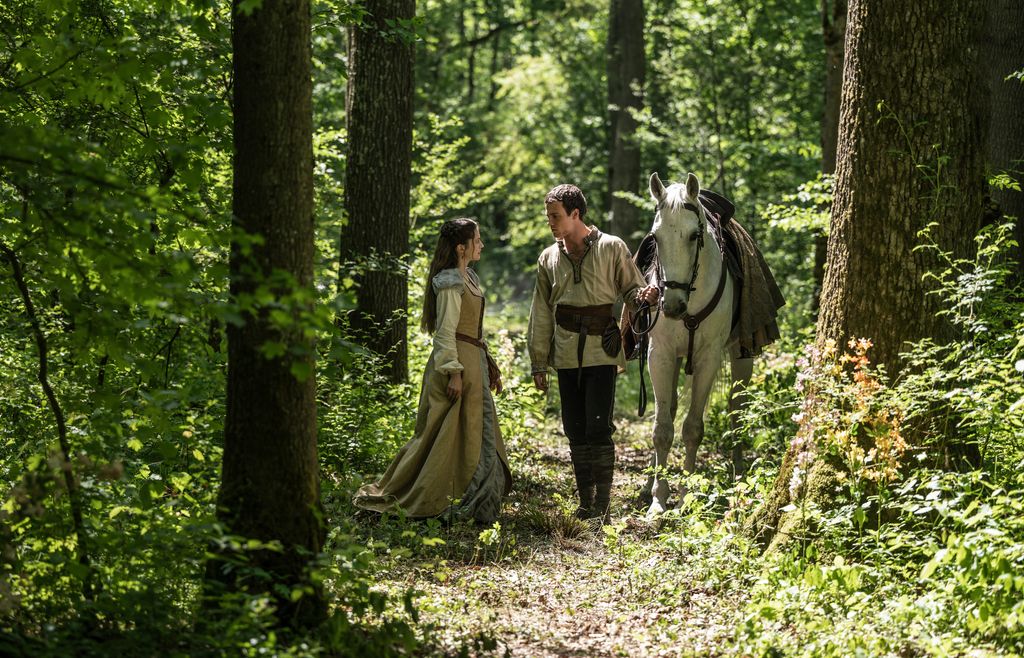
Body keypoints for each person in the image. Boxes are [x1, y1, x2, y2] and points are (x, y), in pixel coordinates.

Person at [354, 218, 512, 524]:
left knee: (470, 434)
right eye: (477, 240)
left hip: (473, 362)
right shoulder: (450, 281)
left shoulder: (469, 277)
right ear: (461, 247)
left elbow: (472, 331)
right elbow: (445, 332)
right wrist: (454, 372)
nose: (482, 244)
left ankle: (473, 501)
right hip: (457, 365)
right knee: (437, 437)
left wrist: (488, 366)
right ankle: (427, 497)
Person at [528, 184, 659, 523]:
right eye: (549, 217)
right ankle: (585, 503)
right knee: (574, 428)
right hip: (566, 352)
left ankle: (601, 507)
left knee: (598, 428)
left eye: (556, 216)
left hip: (603, 348)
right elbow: (541, 312)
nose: (551, 223)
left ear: (576, 214)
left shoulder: (612, 247)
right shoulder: (548, 258)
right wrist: (538, 360)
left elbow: (631, 290)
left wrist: (645, 298)